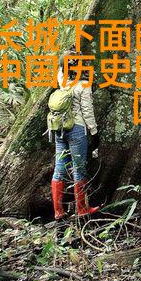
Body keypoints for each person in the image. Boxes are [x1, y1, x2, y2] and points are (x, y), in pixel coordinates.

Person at [51, 50, 100, 219]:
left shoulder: (61, 79)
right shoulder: (83, 85)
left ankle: (58, 212)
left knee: (59, 170)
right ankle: (82, 210)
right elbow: (87, 111)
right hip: (77, 129)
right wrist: (94, 131)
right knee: (79, 169)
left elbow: (61, 66)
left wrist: (68, 54)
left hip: (59, 129)